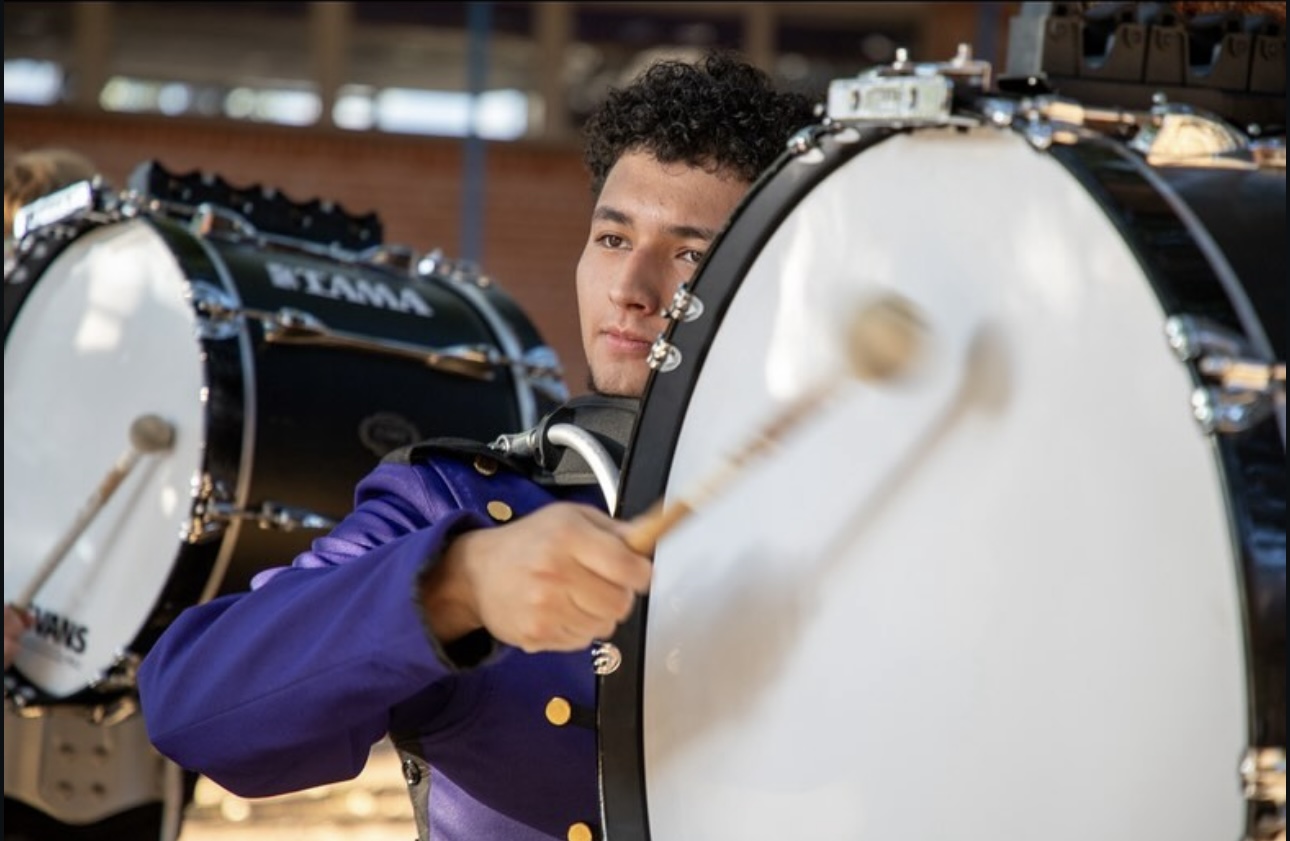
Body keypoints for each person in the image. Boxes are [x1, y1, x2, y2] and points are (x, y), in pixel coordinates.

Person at [136, 50, 818, 841]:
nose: (632, 286)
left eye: (691, 252)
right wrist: (454, 587)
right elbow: (193, 707)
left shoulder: (866, 498)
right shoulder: (468, 502)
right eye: (611, 237)